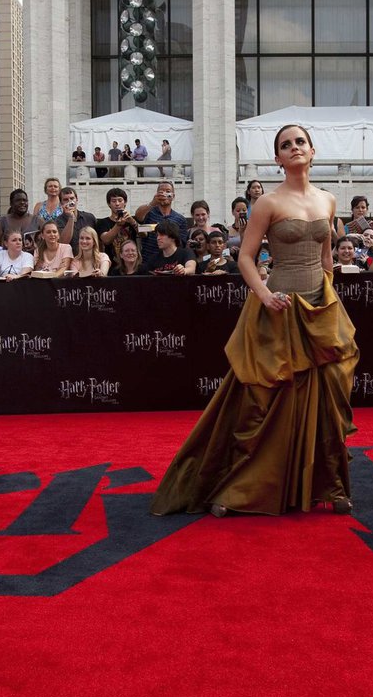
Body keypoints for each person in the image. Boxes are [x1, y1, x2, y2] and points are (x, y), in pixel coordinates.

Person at [152, 123, 358, 517]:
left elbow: (327, 255)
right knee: (265, 400)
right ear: (278, 159)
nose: (294, 147)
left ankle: (326, 484)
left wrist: (328, 296)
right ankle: (241, 486)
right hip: (278, 306)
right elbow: (245, 257)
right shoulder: (268, 204)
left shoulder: (329, 201)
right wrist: (264, 295)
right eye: (286, 145)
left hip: (319, 309)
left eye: (300, 142)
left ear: (312, 151)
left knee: (328, 394)